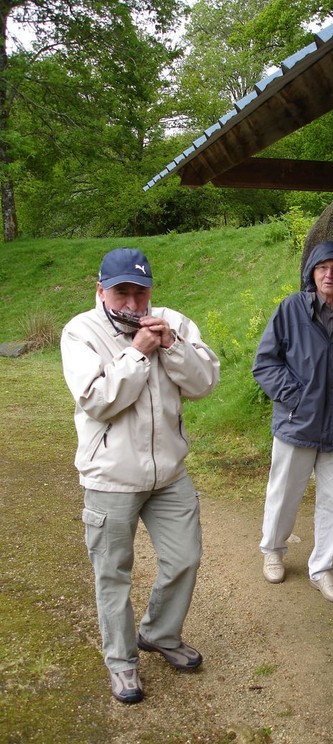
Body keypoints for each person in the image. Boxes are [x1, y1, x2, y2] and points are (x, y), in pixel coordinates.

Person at [61, 247, 220, 703]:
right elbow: (96, 399)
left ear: (151, 290)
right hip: (109, 477)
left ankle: (160, 634)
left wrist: (171, 345)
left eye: (140, 292)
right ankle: (122, 663)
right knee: (113, 574)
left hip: (169, 473)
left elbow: (205, 383)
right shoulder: (80, 332)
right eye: (121, 293)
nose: (132, 304)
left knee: (185, 557)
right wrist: (137, 353)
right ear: (101, 290)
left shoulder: (173, 322)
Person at [252, 241, 333, 604]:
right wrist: (295, 397)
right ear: (311, 272)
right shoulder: (291, 310)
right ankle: (274, 551)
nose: (329, 274)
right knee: (284, 494)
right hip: (298, 423)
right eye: (322, 267)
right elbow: (265, 363)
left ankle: (322, 568)